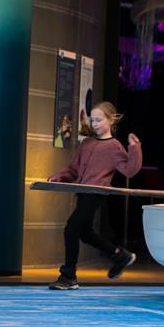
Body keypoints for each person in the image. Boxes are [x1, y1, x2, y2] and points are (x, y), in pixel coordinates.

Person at [47, 101, 142, 290]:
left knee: (71, 228)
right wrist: (58, 177)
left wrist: (135, 148)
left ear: (111, 120)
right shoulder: (87, 143)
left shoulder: (115, 147)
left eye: (99, 120)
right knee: (84, 232)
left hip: (95, 193)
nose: (95, 124)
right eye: (93, 120)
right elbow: (73, 169)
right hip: (82, 193)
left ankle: (68, 276)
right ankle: (119, 255)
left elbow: (129, 170)